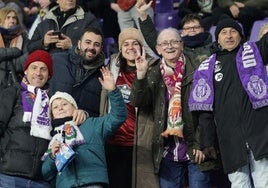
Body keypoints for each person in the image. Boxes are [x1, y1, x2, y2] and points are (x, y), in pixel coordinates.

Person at [135, 1, 230, 187]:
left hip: (195, 147)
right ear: (159, 49)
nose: (169, 46)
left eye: (174, 42)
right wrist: (140, 76)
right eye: (165, 44)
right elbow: (139, 101)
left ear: (181, 44)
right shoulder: (154, 71)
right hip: (167, 150)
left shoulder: (200, 67)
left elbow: (205, 109)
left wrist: (204, 143)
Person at [188, 16, 268, 187]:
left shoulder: (255, 52)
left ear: (240, 36)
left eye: (233, 31)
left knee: (265, 180)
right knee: (239, 183)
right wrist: (207, 142)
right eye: (224, 33)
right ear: (218, 38)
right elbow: (205, 111)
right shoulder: (206, 68)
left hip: (259, 133)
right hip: (230, 138)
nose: (229, 36)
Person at [42, 67, 127, 188]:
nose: (60, 108)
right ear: (52, 115)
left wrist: (112, 91)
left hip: (93, 184)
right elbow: (46, 174)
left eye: (65, 104)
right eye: (55, 107)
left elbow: (119, 116)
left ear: (74, 107)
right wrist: (52, 157)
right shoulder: (54, 138)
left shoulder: (92, 124)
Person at [103, 28, 158, 188]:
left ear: (142, 47)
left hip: (141, 141)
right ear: (120, 49)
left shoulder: (153, 68)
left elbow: (145, 101)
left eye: (135, 43)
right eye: (126, 44)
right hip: (114, 141)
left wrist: (141, 74)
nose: (131, 47)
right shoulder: (112, 67)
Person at [49, 27, 105, 117]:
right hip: (53, 126)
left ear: (101, 48)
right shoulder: (56, 60)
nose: (91, 47)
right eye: (88, 42)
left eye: (96, 44)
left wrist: (86, 115)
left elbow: (101, 111)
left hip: (85, 128)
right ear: (79, 44)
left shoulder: (104, 75)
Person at [28, 0, 101, 54]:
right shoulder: (45, 22)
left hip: (76, 69)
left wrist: (72, 46)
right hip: (49, 69)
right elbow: (30, 48)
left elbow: (98, 47)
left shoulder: (88, 20)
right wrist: (43, 43)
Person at [0, 7, 29, 89]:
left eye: (14, 18)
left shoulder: (23, 38)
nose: (12, 20)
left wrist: (4, 64)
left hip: (16, 80)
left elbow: (25, 60)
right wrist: (16, 51)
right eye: (8, 17)